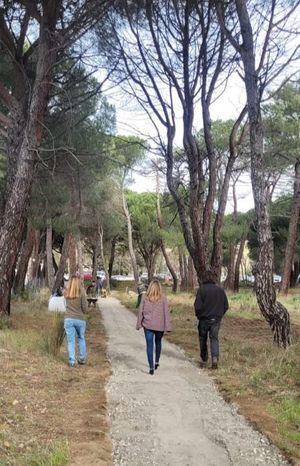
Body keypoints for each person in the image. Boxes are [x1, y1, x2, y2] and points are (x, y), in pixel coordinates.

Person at [194, 270, 229, 370]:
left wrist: (199, 316)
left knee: (202, 339)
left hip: (204, 319)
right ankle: (214, 359)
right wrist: (219, 315)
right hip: (216, 320)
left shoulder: (201, 290)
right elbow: (226, 306)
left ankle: (204, 359)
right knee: (214, 339)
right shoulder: (220, 290)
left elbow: (197, 306)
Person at [136, 279, 172, 375]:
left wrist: (139, 324)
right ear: (159, 287)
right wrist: (167, 327)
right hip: (159, 326)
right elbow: (166, 313)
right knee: (158, 342)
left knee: (149, 345)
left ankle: (151, 367)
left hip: (147, 325)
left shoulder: (144, 297)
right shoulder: (163, 297)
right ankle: (156, 361)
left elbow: (140, 312)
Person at [64, 275, 88, 367]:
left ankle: (72, 361)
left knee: (70, 341)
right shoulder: (82, 292)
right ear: (79, 282)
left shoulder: (66, 292)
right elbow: (85, 309)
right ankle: (82, 358)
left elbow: (64, 305)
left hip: (68, 319)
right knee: (81, 338)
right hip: (80, 319)